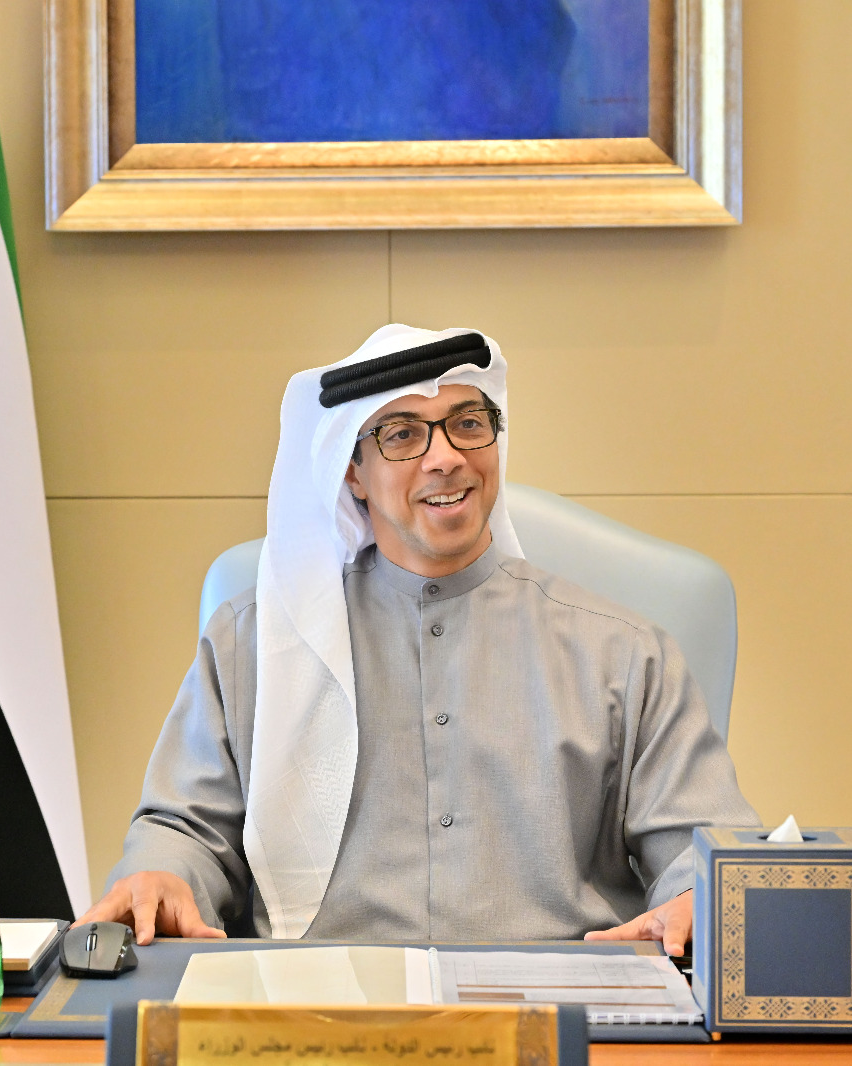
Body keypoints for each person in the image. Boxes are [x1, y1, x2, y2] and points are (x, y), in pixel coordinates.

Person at [81, 325, 758, 953]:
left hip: (558, 1011)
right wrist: (162, 873)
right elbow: (184, 832)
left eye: (468, 424)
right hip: (313, 1011)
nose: (446, 458)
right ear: (351, 472)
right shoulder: (253, 644)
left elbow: (706, 852)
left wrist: (699, 898)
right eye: (403, 435)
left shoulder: (624, 653)